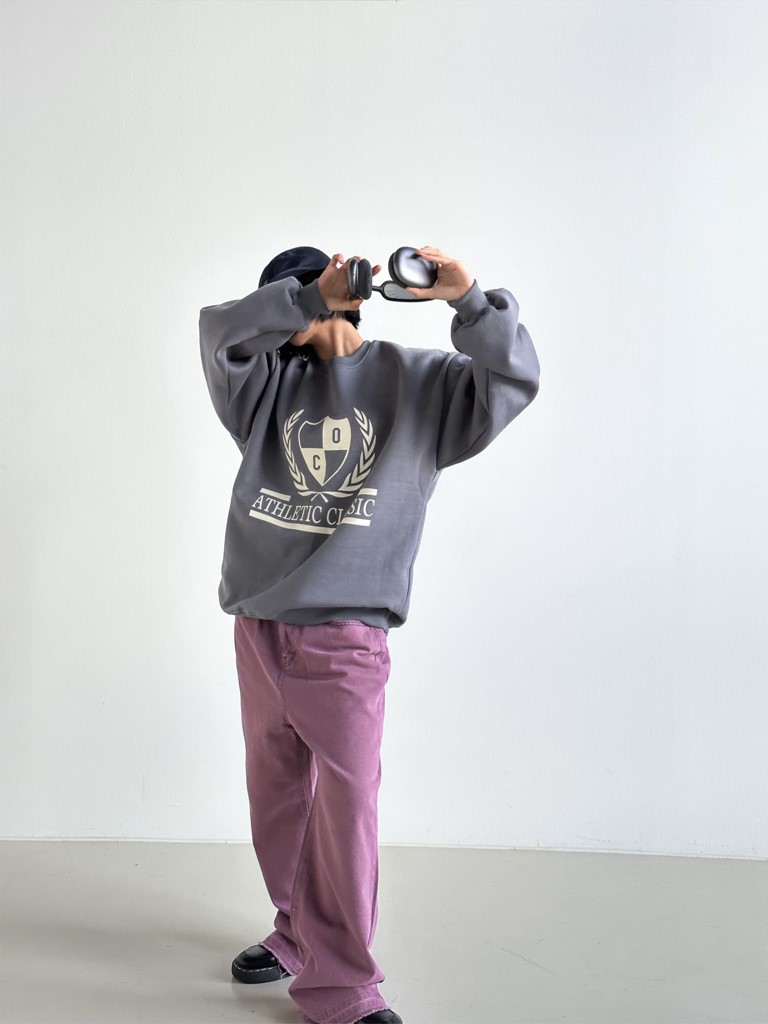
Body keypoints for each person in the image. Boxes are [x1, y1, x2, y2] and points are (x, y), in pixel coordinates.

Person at [198, 244, 540, 1024]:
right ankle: (296, 933)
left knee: (345, 811)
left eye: (308, 293)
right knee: (277, 799)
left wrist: (468, 300)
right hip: (258, 625)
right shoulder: (262, 386)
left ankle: (341, 988)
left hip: (345, 635)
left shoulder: (419, 384)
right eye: (289, 299)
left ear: (347, 297)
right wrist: (304, 299)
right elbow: (218, 332)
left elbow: (513, 378)